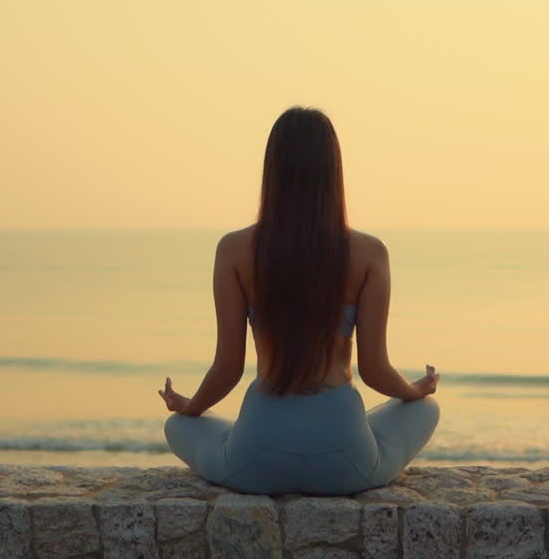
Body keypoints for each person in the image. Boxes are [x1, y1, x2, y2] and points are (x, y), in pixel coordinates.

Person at [158, 106, 440, 496]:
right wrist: (416, 390)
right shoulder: (370, 253)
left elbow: (227, 368)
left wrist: (189, 407)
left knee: (178, 427)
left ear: (272, 171)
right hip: (344, 459)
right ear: (333, 172)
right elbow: (374, 371)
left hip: (258, 453)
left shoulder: (234, 250)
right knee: (426, 411)